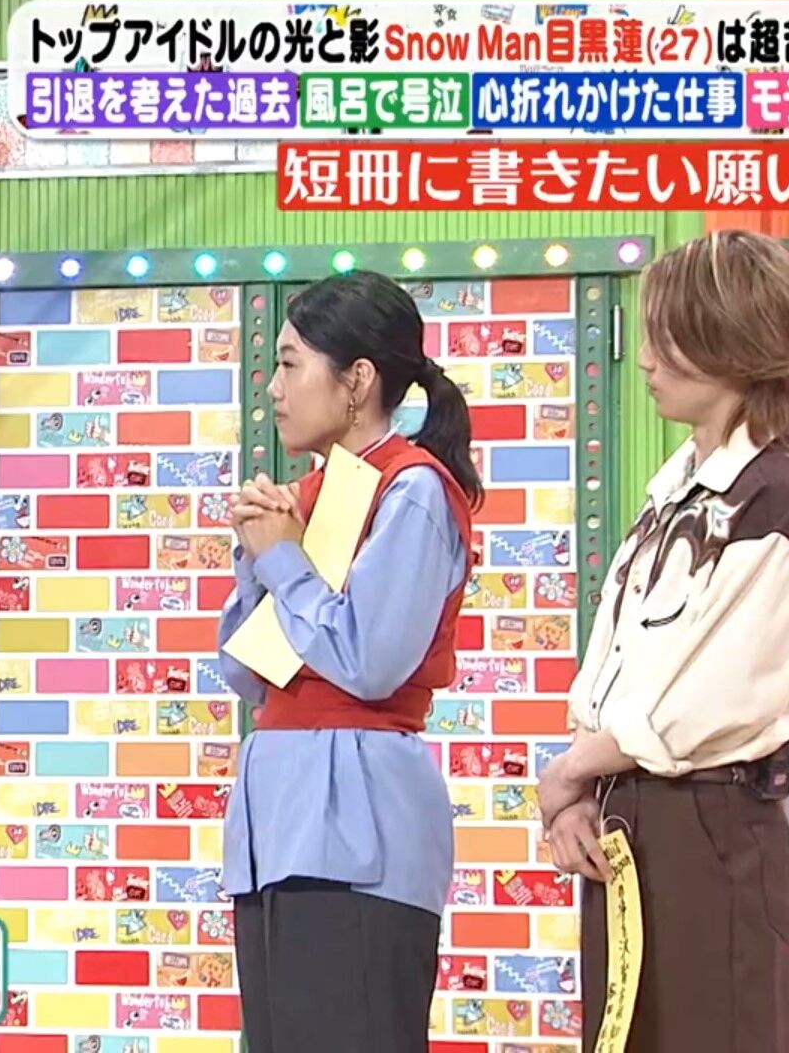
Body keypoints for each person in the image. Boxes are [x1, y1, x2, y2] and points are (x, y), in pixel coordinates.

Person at [537, 230, 789, 1053]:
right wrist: (581, 790)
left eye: (668, 336)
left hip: (712, 819)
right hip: (627, 814)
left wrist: (570, 770)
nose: (646, 358)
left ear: (735, 342)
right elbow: (618, 667)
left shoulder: (781, 497)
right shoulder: (677, 492)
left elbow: (705, 700)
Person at [217, 270, 482, 1052]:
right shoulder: (314, 492)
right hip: (277, 821)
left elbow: (369, 660)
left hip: (359, 823)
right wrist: (257, 558)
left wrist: (284, 560)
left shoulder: (414, 489)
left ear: (358, 379)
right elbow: (248, 672)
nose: (274, 389)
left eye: (290, 364)